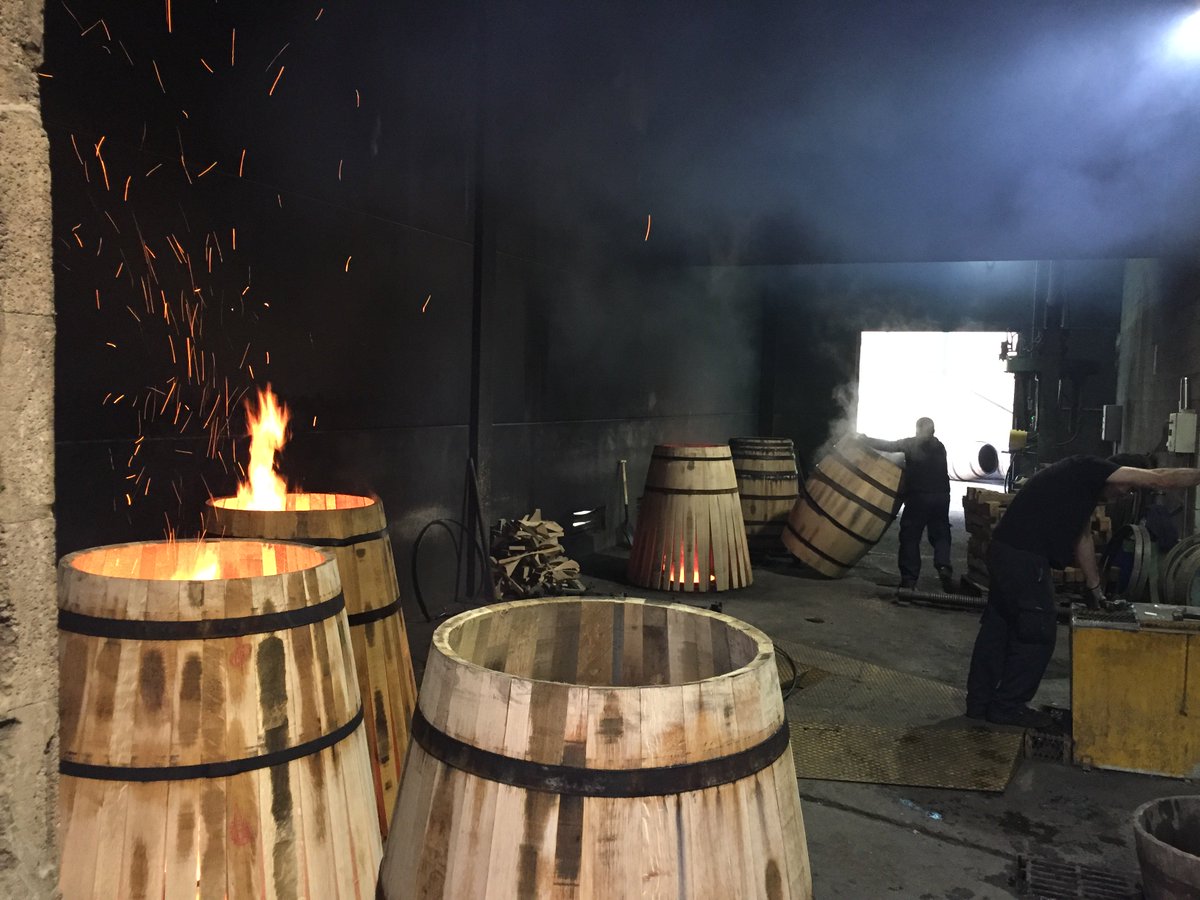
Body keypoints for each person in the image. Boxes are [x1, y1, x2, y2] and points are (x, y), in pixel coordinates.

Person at [965, 453, 1200, 728]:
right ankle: (1008, 707)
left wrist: (1095, 589)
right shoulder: (1093, 467)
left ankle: (978, 704)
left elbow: (1083, 538)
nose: (1125, 494)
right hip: (1024, 558)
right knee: (1037, 633)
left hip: (1006, 551)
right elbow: (1161, 478)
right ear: (1120, 472)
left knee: (999, 627)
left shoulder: (1080, 486)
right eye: (1129, 485)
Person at [861, 417, 953, 591]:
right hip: (942, 496)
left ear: (918, 430)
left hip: (919, 497)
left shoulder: (911, 444)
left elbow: (888, 446)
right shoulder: (940, 447)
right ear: (933, 431)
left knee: (910, 536)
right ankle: (943, 566)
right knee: (941, 532)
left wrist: (865, 440)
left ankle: (909, 580)